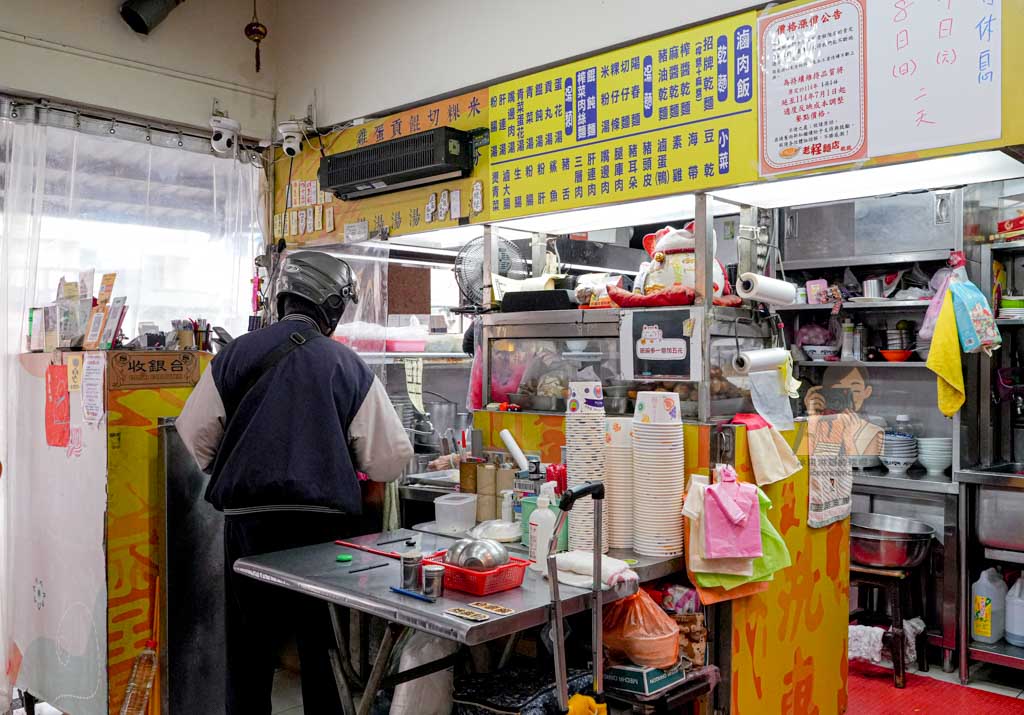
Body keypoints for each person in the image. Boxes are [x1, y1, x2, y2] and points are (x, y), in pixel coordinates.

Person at [176, 250, 413, 715]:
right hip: (321, 532)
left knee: (248, 651)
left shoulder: (235, 355)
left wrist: (245, 465)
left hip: (248, 527)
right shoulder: (347, 366)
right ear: (333, 305)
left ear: (284, 296)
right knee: (323, 650)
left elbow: (195, 435)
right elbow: (389, 460)